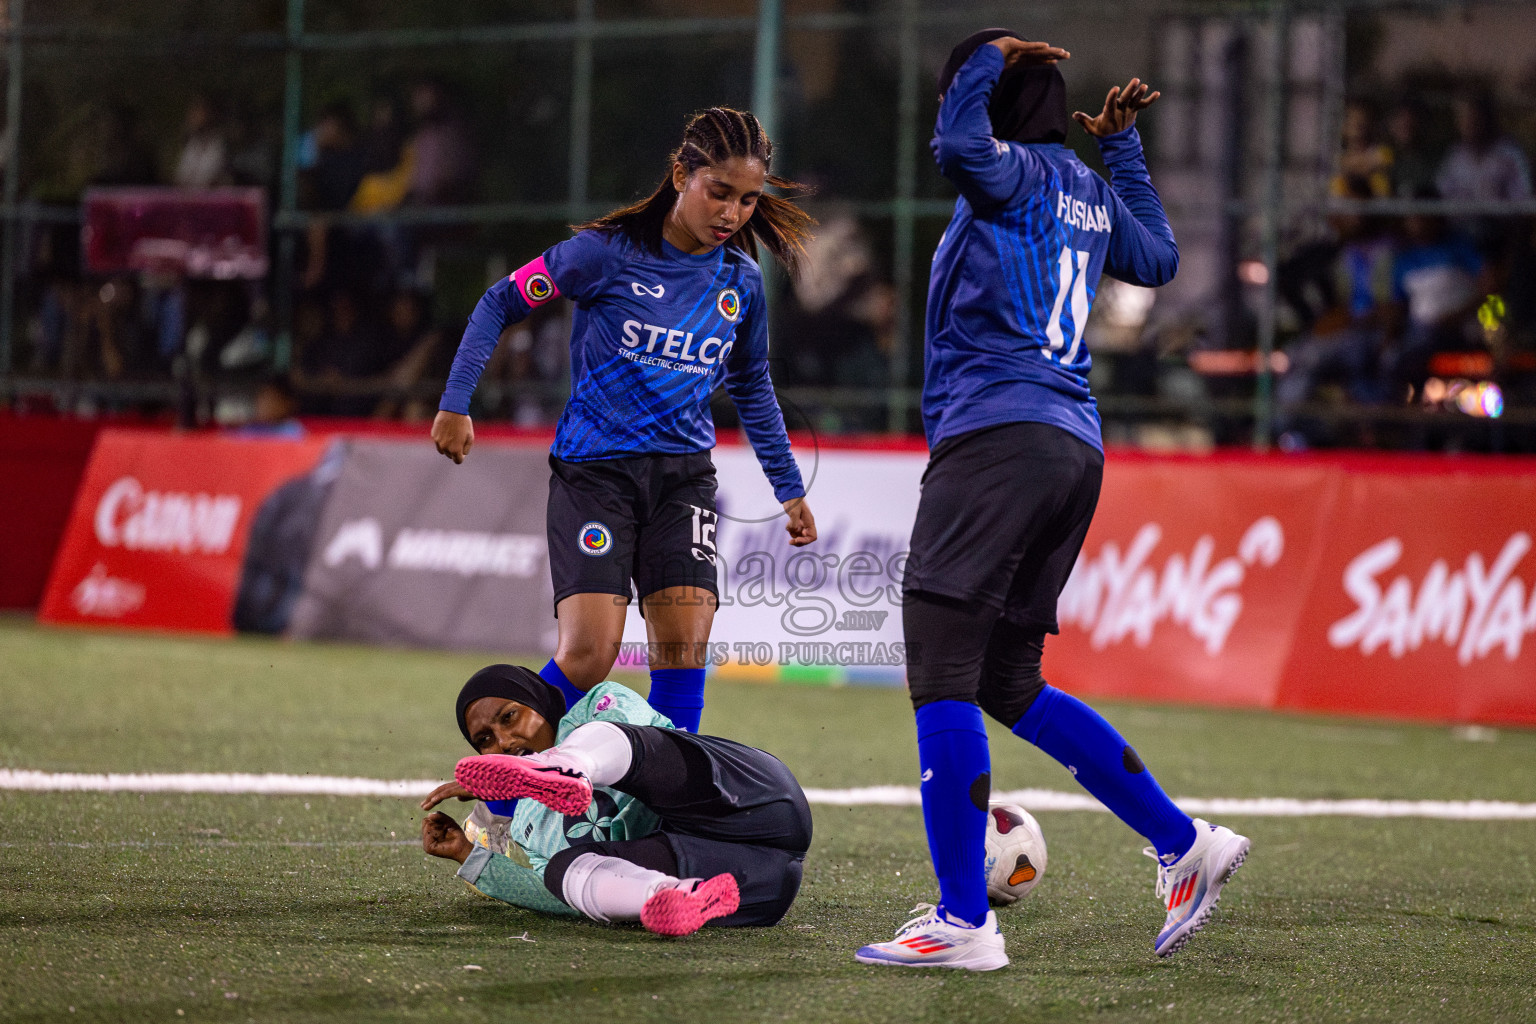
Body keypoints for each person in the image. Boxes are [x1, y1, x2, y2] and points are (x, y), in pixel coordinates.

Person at [855, 31, 1250, 972]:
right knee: (1005, 680)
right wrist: (1119, 147)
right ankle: (1184, 842)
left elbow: (956, 146)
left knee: (941, 672)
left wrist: (982, 54)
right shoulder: (1080, 189)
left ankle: (962, 921)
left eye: (965, 90)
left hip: (997, 437)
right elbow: (1154, 259)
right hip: (1071, 445)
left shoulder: (1013, 172)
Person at [431, 108, 818, 734]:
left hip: (684, 482)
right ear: (680, 174)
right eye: (718, 192)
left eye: (748, 200)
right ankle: (500, 800)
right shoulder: (605, 255)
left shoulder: (741, 282)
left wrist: (789, 486)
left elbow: (751, 383)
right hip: (596, 476)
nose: (732, 213)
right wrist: (456, 401)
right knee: (589, 655)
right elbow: (500, 300)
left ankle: (663, 815)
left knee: (683, 652)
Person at [419, 664, 812, 936]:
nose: (504, 742)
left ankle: (566, 764)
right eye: (485, 741)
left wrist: (556, 762)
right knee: (561, 870)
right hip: (755, 884)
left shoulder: (598, 705)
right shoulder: (530, 826)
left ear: (540, 702)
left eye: (510, 717)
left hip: (758, 802)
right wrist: (466, 853)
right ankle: (663, 896)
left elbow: (645, 746)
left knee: (634, 742)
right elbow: (554, 896)